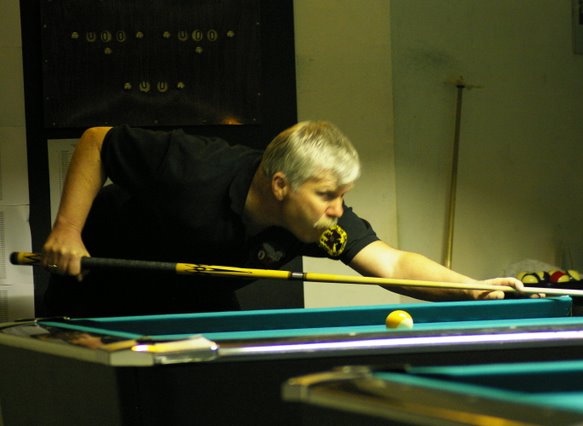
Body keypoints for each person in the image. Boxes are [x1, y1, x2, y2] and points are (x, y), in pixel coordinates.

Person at [42, 121, 523, 317]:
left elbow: (392, 264)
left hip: (193, 294)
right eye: (327, 195)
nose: (337, 210)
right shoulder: (194, 168)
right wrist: (67, 230)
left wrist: (471, 287)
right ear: (280, 186)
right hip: (101, 283)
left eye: (343, 196)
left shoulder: (319, 223)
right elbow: (98, 141)